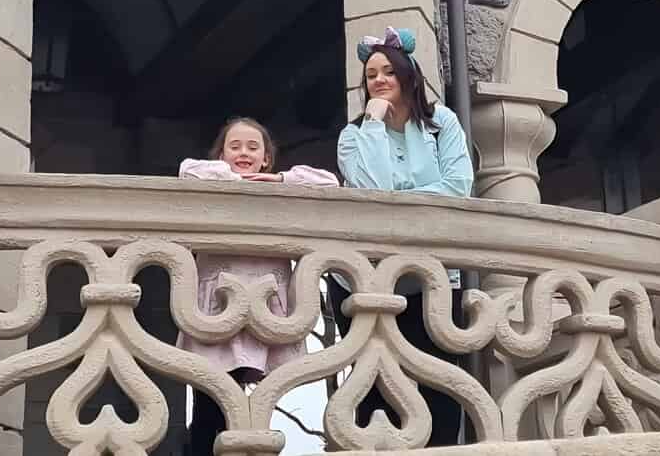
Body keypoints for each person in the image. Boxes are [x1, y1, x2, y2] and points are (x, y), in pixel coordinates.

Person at [331, 27, 474, 447]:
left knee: (441, 382)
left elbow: (459, 187)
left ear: (408, 74)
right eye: (371, 74)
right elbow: (374, 194)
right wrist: (373, 123)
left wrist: (402, 199)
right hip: (366, 279)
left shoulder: (442, 122)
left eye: (388, 71)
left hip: (433, 273)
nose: (379, 80)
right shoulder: (353, 135)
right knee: (374, 389)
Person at [177, 117, 338, 456]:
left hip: (265, 309)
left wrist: (280, 180)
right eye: (234, 147)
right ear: (221, 155)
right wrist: (233, 178)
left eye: (253, 147)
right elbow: (188, 171)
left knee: (255, 410)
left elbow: (329, 183)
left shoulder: (280, 189)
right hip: (216, 308)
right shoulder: (211, 182)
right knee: (209, 403)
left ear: (266, 158)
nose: (243, 153)